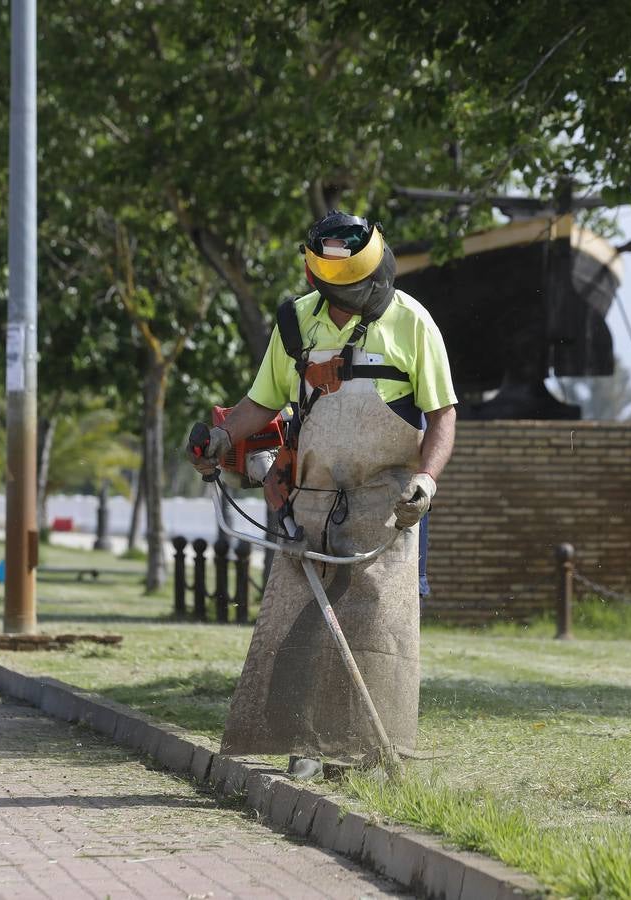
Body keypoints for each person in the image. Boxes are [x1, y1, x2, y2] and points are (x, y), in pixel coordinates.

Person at [188, 210, 457, 777]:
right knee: (303, 618)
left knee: (378, 621)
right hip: (312, 494)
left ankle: (370, 751)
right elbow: (262, 402)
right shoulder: (296, 327)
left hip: (389, 499)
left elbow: (441, 415)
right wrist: (221, 436)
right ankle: (307, 743)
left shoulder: (412, 323)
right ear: (319, 280)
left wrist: (425, 482)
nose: (363, 296)